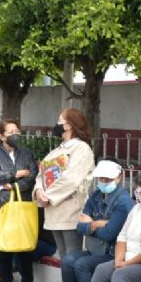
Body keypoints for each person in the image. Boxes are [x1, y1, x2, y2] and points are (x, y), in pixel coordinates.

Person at [51, 159, 133, 282]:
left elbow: (111, 234)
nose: (103, 182)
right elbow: (79, 226)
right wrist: (98, 224)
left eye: (107, 179)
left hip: (111, 253)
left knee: (82, 264)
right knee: (68, 260)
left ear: (119, 177)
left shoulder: (123, 202)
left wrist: (92, 223)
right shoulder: (95, 195)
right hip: (94, 249)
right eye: (101, 179)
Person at [0, 119, 39, 282]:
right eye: (10, 132)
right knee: (4, 248)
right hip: (1, 207)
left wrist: (12, 185)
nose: (15, 134)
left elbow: (32, 176)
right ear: (1, 136)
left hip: (22, 206)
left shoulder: (26, 153)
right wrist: (16, 175)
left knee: (25, 248)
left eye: (17, 131)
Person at [34, 108, 96, 258]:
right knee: (63, 255)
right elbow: (41, 174)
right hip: (53, 210)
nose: (57, 125)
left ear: (68, 125)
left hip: (70, 210)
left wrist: (47, 195)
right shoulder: (57, 150)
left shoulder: (82, 149)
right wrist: (38, 191)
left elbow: (72, 179)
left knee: (71, 257)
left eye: (59, 121)